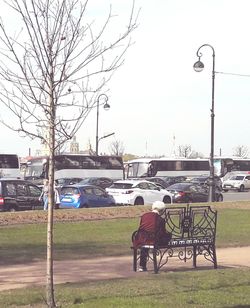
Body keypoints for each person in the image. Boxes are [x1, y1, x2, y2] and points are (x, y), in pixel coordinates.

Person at [133, 201, 172, 272]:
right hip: (153, 240)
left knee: (145, 245)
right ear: (162, 210)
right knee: (166, 236)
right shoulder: (160, 219)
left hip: (141, 239)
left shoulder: (144, 215)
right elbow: (162, 232)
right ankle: (144, 266)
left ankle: (142, 265)